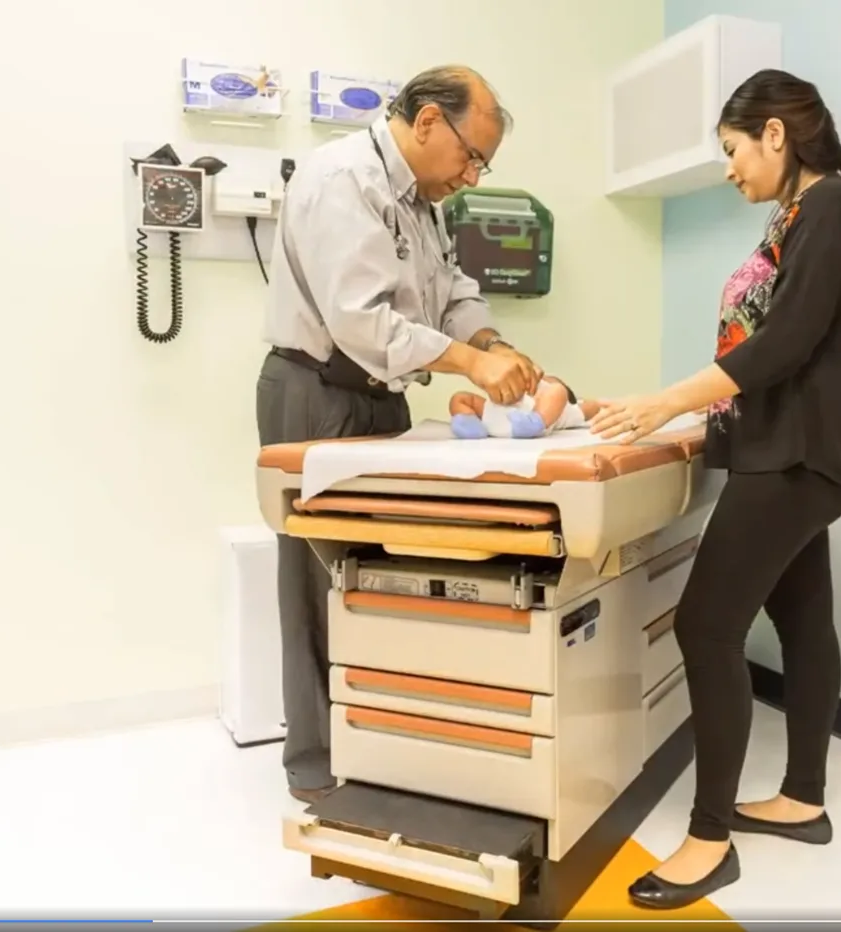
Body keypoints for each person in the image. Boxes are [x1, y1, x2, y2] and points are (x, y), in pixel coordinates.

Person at [588, 69, 841, 908]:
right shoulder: (800, 213)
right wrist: (677, 411)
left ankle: (709, 840)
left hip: (798, 457)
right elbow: (776, 346)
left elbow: (785, 342)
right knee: (802, 619)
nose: (729, 169)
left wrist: (662, 403)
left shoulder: (829, 208)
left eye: (732, 150)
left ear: (776, 136)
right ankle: (803, 800)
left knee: (706, 625)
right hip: (789, 449)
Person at [256, 64, 543, 804]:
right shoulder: (340, 180)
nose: (473, 175)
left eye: (484, 162)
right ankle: (317, 764)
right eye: (471, 155)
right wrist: (471, 366)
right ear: (425, 123)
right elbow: (361, 321)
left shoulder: (424, 204)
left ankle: (382, 739)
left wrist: (492, 341)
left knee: (375, 576)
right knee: (316, 582)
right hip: (317, 393)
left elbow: (450, 292)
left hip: (382, 400)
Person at [448, 376, 600, 439]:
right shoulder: (492, 412)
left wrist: (591, 404)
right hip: (497, 413)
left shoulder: (565, 413)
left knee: (557, 390)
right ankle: (469, 424)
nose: (541, 380)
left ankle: (535, 422)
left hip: (533, 414)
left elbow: (591, 406)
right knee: (460, 398)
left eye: (545, 380)